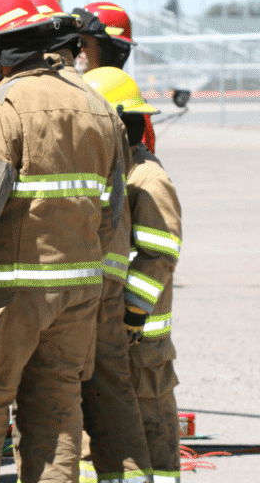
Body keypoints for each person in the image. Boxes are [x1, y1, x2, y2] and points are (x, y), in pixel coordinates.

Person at [0, 0, 126, 482]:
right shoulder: (97, 104)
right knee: (57, 418)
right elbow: (113, 210)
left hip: (5, 298)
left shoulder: (6, 104)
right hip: (76, 294)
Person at [27, 0, 154, 483]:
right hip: (94, 268)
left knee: (71, 386)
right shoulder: (98, 96)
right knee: (101, 386)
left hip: (78, 271)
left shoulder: (82, 95)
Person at [84, 67, 184, 483]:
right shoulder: (116, 173)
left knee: (151, 421)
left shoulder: (147, 177)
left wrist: (132, 312)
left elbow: (160, 251)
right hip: (114, 330)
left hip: (143, 337)